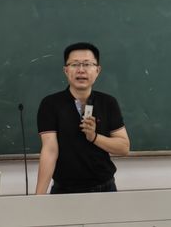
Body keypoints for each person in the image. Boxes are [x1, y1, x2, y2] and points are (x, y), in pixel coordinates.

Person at [35, 42, 130, 194]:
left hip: (105, 188)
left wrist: (94, 137)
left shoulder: (108, 102)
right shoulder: (51, 104)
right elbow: (50, 150)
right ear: (66, 70)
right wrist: (38, 198)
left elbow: (124, 147)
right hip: (65, 190)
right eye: (74, 64)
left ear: (97, 70)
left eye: (87, 64)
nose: (81, 70)